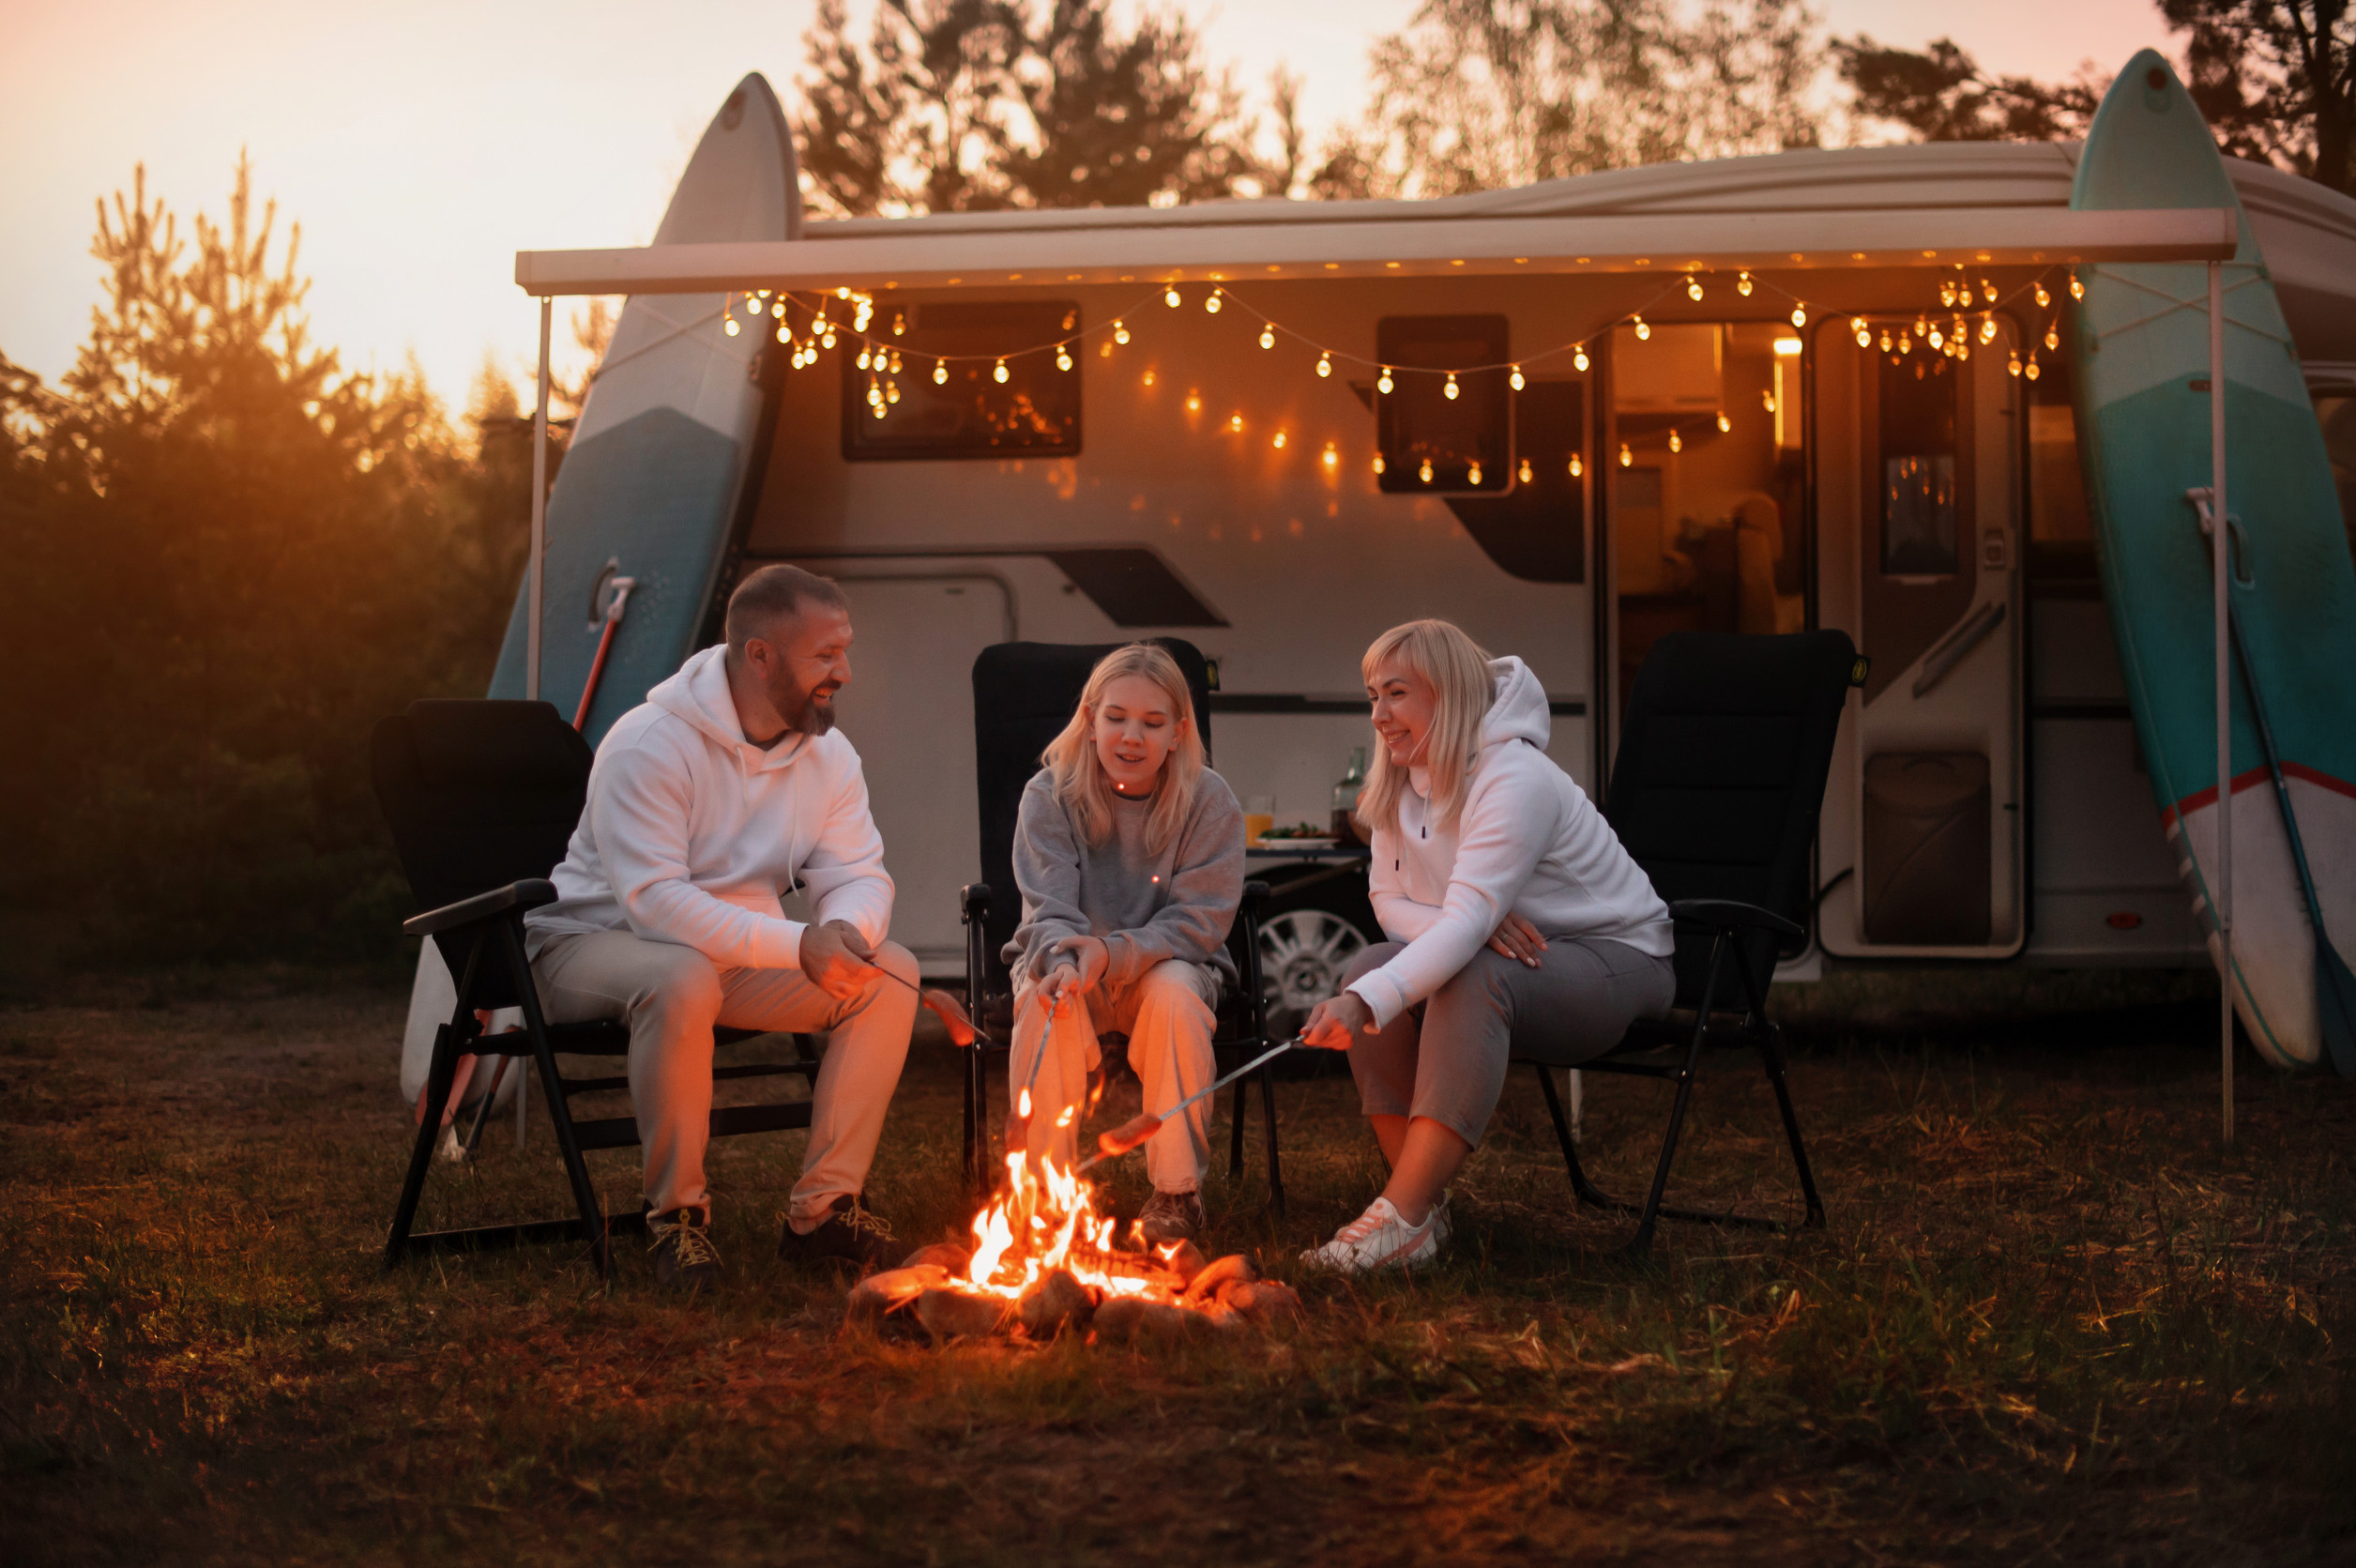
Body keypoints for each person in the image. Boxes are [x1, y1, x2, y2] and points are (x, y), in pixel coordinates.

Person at [525, 564, 957, 1289]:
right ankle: (676, 1222)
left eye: (844, 651)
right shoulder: (649, 743)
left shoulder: (829, 755)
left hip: (723, 956)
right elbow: (653, 903)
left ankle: (823, 1211)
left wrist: (848, 931)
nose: (843, 672)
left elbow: (857, 870)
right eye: (825, 655)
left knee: (892, 974)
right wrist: (798, 943)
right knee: (681, 973)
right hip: (588, 946)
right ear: (760, 655)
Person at [1298, 618, 1677, 1274]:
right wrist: (1463, 921)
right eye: (1372, 695)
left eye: (1395, 693)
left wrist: (1459, 929)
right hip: (1518, 958)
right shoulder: (1397, 779)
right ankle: (1419, 1208)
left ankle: (1402, 1216)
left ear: (1445, 695)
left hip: (1618, 957)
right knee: (1366, 964)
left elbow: (1467, 926)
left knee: (1471, 975)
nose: (1378, 714)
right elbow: (1386, 902)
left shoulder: (1514, 775)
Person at [1003, 643, 1246, 1244]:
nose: (1131, 737)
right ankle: (1043, 1196)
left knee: (1173, 996)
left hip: (1167, 966)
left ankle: (1176, 1193)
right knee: (1045, 998)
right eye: (1116, 717)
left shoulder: (1208, 800)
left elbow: (1200, 920)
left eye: (1152, 722)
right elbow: (1049, 909)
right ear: (1090, 721)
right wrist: (1063, 960)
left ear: (1178, 732)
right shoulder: (1048, 794)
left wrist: (1114, 952)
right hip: (1070, 965)